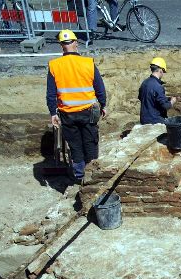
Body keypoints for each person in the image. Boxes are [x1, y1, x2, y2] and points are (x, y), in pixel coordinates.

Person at [47, 29, 107, 183]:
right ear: (76, 43)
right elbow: (100, 88)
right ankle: (92, 176)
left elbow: (51, 93)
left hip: (67, 114)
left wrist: (53, 113)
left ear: (61, 45)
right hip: (88, 112)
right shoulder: (88, 63)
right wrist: (103, 105)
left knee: (75, 146)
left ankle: (80, 177)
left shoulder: (54, 65)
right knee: (90, 142)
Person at [138, 57, 177, 125]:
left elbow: (145, 98)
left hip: (144, 120)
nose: (163, 74)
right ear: (160, 70)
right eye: (163, 71)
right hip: (155, 120)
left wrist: (166, 98)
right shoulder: (158, 86)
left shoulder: (144, 83)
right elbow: (165, 106)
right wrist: (172, 101)